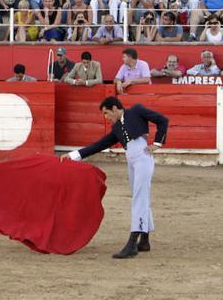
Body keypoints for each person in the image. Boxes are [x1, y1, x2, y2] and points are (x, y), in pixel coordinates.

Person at [62, 96, 168, 258]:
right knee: (140, 196)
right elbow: (99, 144)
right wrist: (74, 155)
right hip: (132, 161)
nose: (106, 117)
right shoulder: (117, 128)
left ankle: (132, 243)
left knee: (139, 198)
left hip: (142, 158)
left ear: (115, 108)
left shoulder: (136, 111)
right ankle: (144, 240)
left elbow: (162, 120)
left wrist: (158, 143)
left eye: (106, 113)